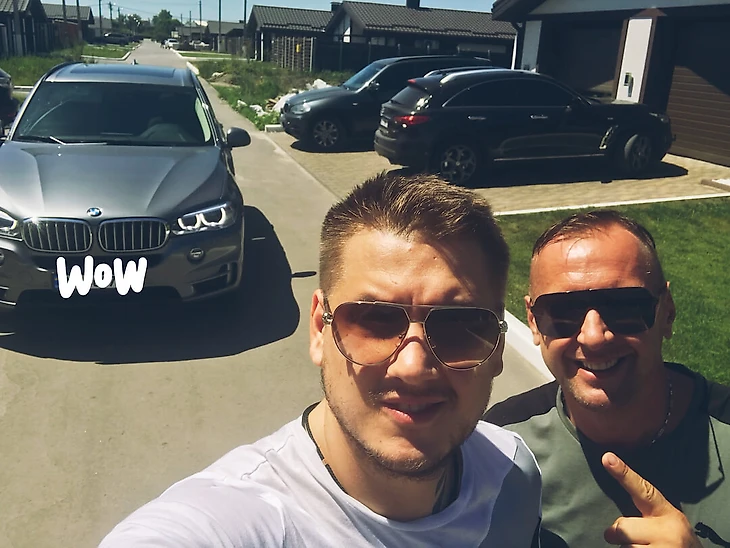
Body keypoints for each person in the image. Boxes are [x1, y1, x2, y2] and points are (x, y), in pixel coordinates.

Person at [99, 171, 543, 547]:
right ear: (319, 329)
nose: (412, 367)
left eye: (460, 325)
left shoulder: (513, 474)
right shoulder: (235, 520)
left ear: (498, 346)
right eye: (374, 319)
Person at [483, 210, 730, 548]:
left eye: (623, 306)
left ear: (667, 311)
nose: (594, 337)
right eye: (562, 312)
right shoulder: (496, 447)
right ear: (534, 322)